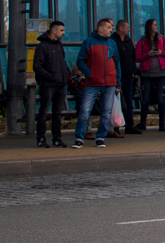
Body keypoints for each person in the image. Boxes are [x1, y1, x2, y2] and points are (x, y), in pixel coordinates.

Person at [72, 18, 120, 149]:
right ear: (101, 29)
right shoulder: (88, 42)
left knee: (106, 111)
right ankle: (79, 137)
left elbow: (117, 64)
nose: (112, 29)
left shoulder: (112, 43)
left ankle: (100, 137)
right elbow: (80, 61)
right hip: (92, 82)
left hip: (109, 82)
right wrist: (90, 74)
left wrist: (118, 83)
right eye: (109, 27)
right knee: (85, 110)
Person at [33, 20, 69, 148]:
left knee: (57, 112)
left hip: (60, 83)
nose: (63, 33)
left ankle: (57, 138)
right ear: (54, 31)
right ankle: (41, 138)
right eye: (61, 30)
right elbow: (37, 66)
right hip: (48, 84)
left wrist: (65, 74)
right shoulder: (42, 46)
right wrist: (50, 76)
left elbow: (62, 61)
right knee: (44, 112)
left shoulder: (59, 45)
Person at [134, 18, 165, 132]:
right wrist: (148, 54)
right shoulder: (142, 40)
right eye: (155, 25)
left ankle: (162, 123)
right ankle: (143, 122)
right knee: (145, 97)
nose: (157, 26)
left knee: (161, 97)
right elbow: (137, 57)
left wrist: (161, 53)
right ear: (150, 27)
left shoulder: (162, 38)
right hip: (146, 72)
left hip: (161, 71)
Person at [111, 19, 141, 136]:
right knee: (117, 102)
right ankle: (116, 126)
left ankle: (129, 125)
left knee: (129, 101)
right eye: (127, 27)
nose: (129, 30)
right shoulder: (113, 41)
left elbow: (133, 57)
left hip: (129, 75)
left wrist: (134, 72)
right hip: (118, 76)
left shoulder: (128, 42)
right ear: (121, 28)